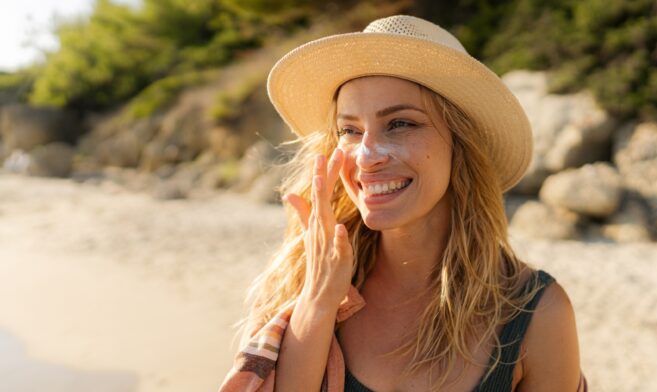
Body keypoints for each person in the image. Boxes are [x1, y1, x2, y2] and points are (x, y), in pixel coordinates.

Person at [220, 14, 587, 392]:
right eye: (350, 130)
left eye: (400, 124)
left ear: (460, 143)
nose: (366, 155)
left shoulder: (535, 311)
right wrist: (317, 301)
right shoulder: (294, 284)